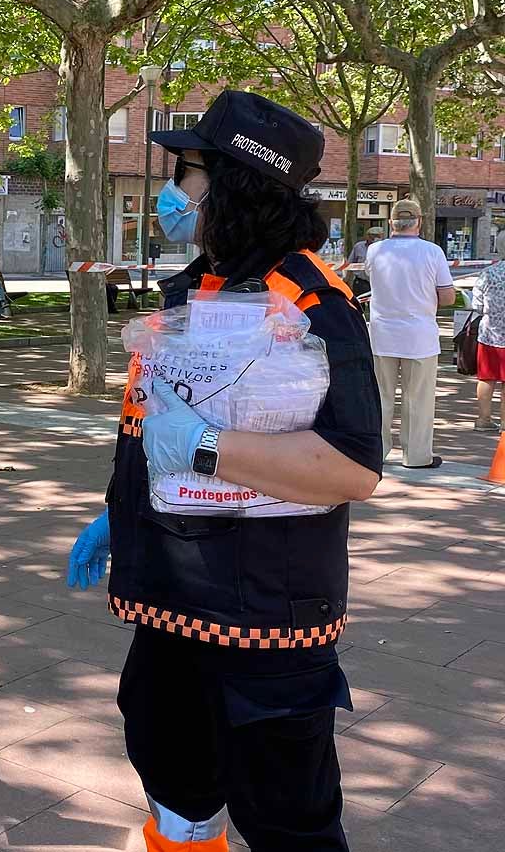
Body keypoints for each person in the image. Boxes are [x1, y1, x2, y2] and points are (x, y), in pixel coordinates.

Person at [69, 90, 381, 852]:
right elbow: (155, 424)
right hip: (172, 603)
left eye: (190, 171)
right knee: (175, 783)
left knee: (288, 822)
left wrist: (206, 446)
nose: (175, 192)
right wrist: (124, 511)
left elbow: (352, 465)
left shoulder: (312, 304)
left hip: (266, 623)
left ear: (238, 182)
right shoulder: (195, 288)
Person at [366, 198, 456, 468]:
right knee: (418, 399)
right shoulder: (433, 252)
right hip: (420, 337)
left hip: (382, 334)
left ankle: (376, 452)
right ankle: (416, 456)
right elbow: (447, 296)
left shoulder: (375, 251)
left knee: (380, 397)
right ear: (419, 221)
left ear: (391, 222)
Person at [471, 253, 505, 431]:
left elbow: (476, 305)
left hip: (489, 334)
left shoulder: (488, 273)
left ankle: (483, 419)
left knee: (486, 377)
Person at [338, 225, 382, 296]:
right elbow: (350, 264)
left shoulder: (384, 248)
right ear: (367, 236)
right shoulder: (359, 246)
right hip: (361, 282)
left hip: (378, 282)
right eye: (372, 235)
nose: (374, 238)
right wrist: (346, 280)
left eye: (377, 236)